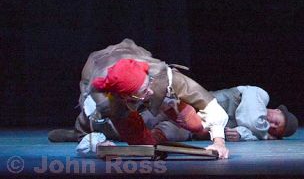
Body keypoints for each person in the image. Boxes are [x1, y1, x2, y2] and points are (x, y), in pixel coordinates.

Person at [48, 39, 230, 158]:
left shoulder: (159, 76)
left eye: (147, 84)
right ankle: (147, 135)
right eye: (143, 91)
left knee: (196, 125)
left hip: (136, 63)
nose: (149, 91)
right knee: (144, 147)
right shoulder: (104, 100)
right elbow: (84, 125)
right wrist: (98, 144)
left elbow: (208, 103)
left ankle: (167, 114)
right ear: (124, 96)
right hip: (104, 75)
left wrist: (219, 142)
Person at [143, 85, 298, 142]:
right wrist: (265, 136)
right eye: (276, 122)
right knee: (147, 118)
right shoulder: (260, 95)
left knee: (165, 134)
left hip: (195, 127)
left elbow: (244, 130)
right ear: (278, 111)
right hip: (189, 105)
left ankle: (140, 140)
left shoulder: (257, 131)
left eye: (274, 130)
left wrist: (241, 134)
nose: (270, 125)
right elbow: (250, 120)